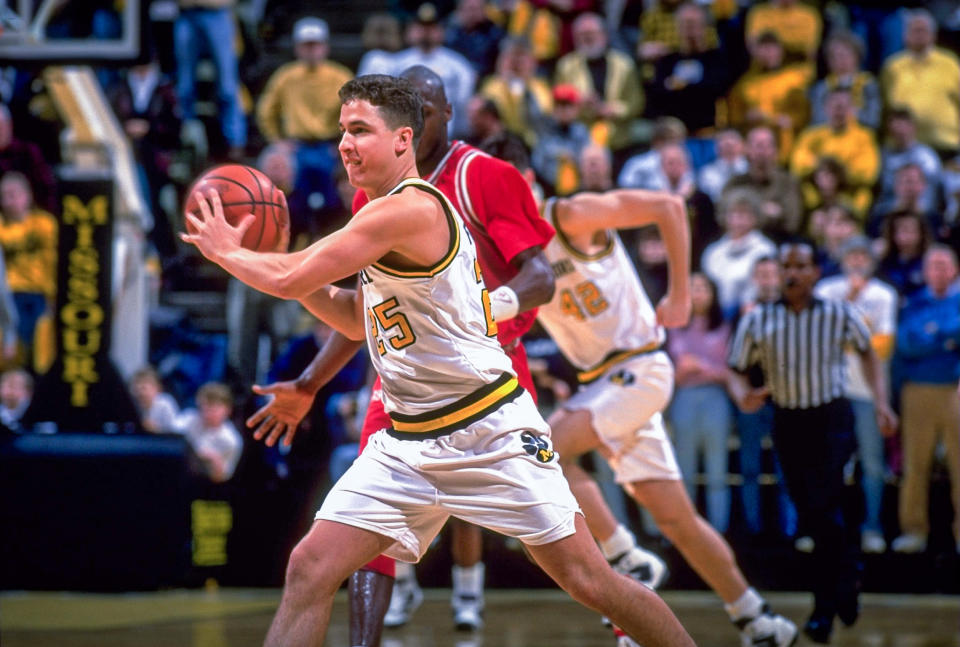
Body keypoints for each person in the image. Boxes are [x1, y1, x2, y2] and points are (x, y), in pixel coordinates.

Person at [182, 73, 695, 647]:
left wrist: (235, 253)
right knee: (310, 567)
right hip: (409, 440)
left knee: (588, 579)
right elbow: (354, 317)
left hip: (488, 430)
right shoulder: (375, 211)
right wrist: (276, 265)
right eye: (341, 132)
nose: (345, 144)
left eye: (359, 131)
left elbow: (293, 276)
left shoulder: (412, 208)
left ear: (404, 140)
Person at [243, 66, 566, 644]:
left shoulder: (481, 177)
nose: (411, 113)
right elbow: (367, 308)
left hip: (487, 373)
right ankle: (374, 631)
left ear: (434, 119)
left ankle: (472, 592)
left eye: (422, 105)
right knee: (332, 545)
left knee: (575, 564)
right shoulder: (373, 190)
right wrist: (311, 383)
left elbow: (542, 276)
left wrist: (489, 307)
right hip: (404, 372)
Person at [489, 136, 799, 647]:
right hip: (603, 384)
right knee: (677, 517)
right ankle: (757, 618)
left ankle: (623, 555)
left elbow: (668, 205)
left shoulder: (569, 214)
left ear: (527, 179)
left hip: (639, 368)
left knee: (539, 449)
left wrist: (679, 293)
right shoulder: (513, 247)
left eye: (504, 186)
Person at [728, 242, 898, 643]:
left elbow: (869, 355)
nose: (793, 273)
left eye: (801, 266)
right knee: (813, 511)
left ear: (815, 272)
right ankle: (850, 571)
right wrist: (742, 396)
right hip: (788, 420)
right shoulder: (757, 320)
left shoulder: (840, 313)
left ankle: (825, 605)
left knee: (824, 507)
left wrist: (881, 402)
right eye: (786, 266)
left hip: (832, 418)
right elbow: (734, 369)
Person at [814, 236, 899, 554]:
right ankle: (829, 531)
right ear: (843, 259)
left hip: (867, 392)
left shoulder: (883, 294)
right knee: (830, 466)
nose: (858, 262)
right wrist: (850, 303)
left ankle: (872, 528)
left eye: (864, 256)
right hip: (831, 392)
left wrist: (845, 335)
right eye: (853, 256)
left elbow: (882, 346)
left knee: (873, 465)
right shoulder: (825, 291)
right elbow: (820, 341)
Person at [890, 245, 960, 555]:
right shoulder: (914, 302)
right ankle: (914, 530)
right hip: (917, 391)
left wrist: (933, 335)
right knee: (915, 465)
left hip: (955, 389)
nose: (939, 270)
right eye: (933, 265)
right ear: (925, 271)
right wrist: (946, 339)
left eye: (945, 264)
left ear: (955, 270)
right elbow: (906, 343)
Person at [666, 272, 734, 532]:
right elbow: (677, 370)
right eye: (692, 288)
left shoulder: (724, 326)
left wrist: (700, 366)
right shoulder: (675, 327)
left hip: (716, 398)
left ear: (713, 293)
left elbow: (728, 371)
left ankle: (719, 530)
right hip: (684, 398)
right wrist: (693, 369)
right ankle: (689, 533)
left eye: (704, 288)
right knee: (686, 469)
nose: (698, 293)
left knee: (718, 469)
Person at [881, 9, 960, 156]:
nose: (919, 34)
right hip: (902, 146)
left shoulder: (950, 63)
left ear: (933, 35)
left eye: (923, 30)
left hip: (946, 144)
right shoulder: (892, 66)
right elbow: (886, 106)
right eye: (914, 30)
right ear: (905, 35)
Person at [0, 171, 57, 372]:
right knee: (13, 349)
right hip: (8, 296)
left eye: (12, 195)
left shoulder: (45, 224)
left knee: (41, 349)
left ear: (27, 195)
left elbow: (53, 262)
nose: (7, 202)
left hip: (40, 294)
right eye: (3, 197)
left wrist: (53, 294)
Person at [174, 382, 243, 483]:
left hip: (208, 487)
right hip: (179, 476)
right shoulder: (190, 419)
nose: (208, 412)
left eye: (214, 408)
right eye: (204, 406)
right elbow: (167, 435)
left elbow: (223, 477)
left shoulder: (232, 440)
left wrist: (214, 460)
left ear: (227, 410)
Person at [131, 366, 181, 434]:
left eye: (144, 388)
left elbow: (175, 432)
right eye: (137, 389)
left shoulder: (165, 404)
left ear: (156, 388)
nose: (140, 393)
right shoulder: (135, 405)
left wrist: (156, 429)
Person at [0, 368, 32, 433]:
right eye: (5, 387)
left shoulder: (35, 413)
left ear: (29, 391)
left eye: (15, 387)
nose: (9, 392)